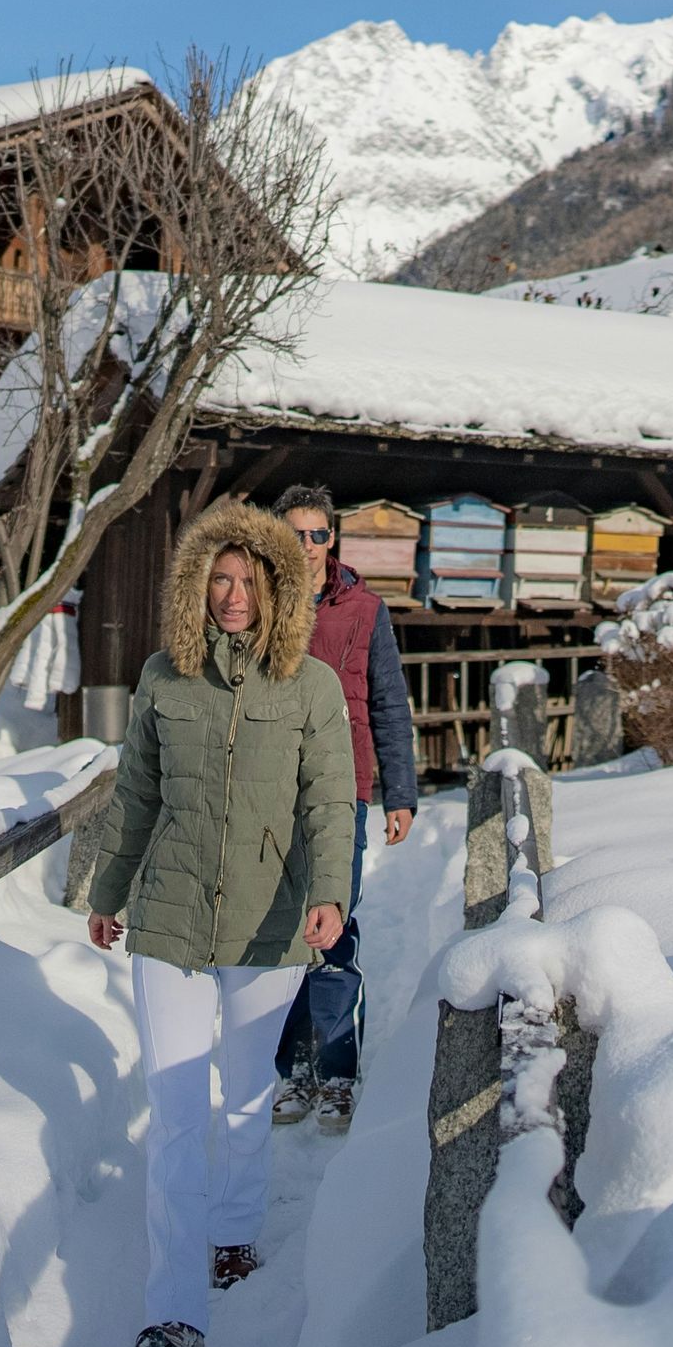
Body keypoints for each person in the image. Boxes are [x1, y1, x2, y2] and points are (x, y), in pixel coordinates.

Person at [84, 498, 354, 1347]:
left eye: (248, 579)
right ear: (197, 587)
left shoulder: (310, 687)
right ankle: (173, 1316)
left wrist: (329, 895)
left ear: (278, 589)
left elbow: (328, 802)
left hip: (270, 923)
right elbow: (134, 797)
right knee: (173, 1114)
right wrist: (109, 890)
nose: (233, 594)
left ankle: (232, 1234)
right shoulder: (166, 677)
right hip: (167, 917)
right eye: (220, 578)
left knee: (242, 1097)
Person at [268, 484, 419, 1133]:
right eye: (295, 534)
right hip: (271, 792)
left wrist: (400, 792)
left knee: (333, 929)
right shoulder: (257, 606)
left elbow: (389, 701)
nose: (307, 547)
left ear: (334, 540)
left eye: (318, 534)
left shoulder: (363, 610)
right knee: (280, 935)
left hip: (344, 789)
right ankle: (289, 1070)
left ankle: (335, 1073)